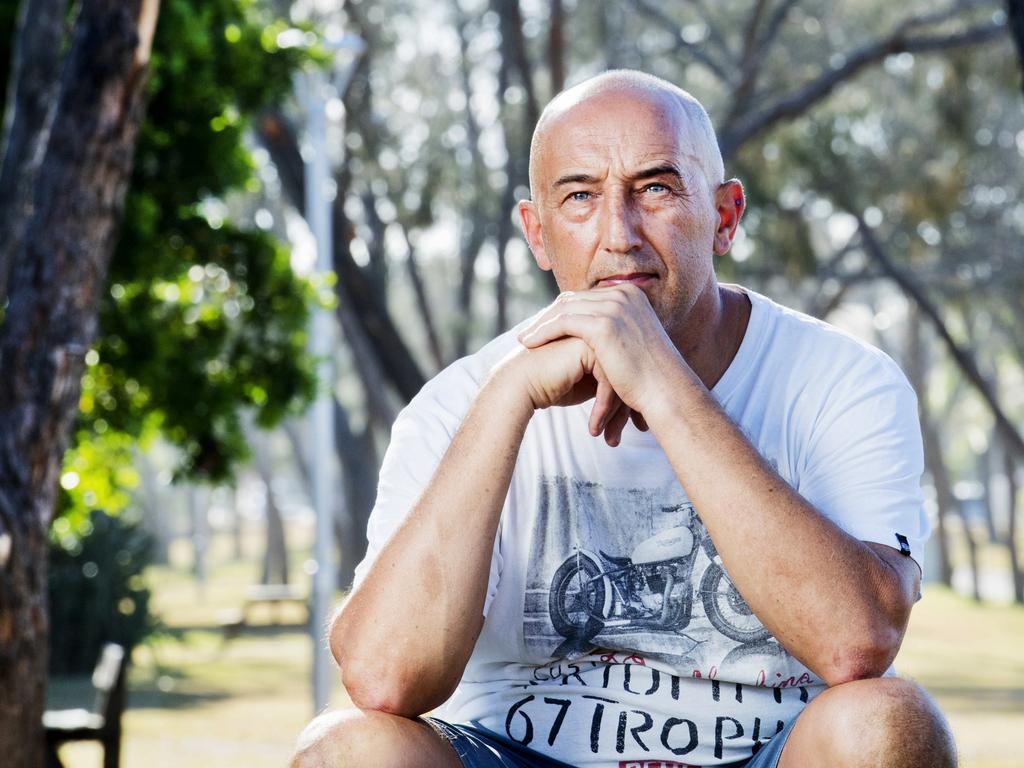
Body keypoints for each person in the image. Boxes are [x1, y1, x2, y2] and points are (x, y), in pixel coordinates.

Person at [292, 70, 957, 767]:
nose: (619, 233)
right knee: (349, 748)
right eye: (580, 196)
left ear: (725, 217)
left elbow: (858, 641)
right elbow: (381, 676)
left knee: (888, 721)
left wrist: (663, 386)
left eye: (657, 189)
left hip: (766, 754)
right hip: (510, 754)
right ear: (539, 233)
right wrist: (507, 398)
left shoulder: (843, 382)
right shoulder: (457, 401)